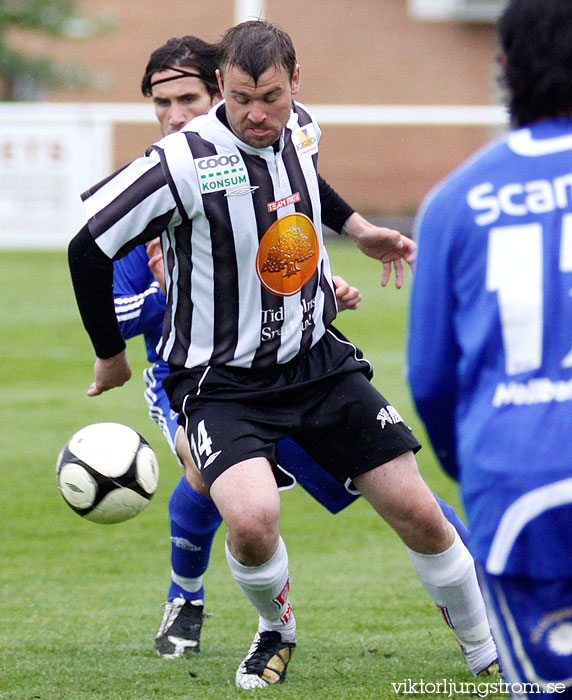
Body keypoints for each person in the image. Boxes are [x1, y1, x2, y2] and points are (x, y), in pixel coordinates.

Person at [69, 21, 496, 689]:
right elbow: (87, 246)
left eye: (270, 96)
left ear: (295, 84)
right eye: (241, 99)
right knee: (251, 519)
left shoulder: (299, 126)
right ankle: (276, 628)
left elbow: (307, 180)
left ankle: (486, 648)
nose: (257, 114)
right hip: (219, 382)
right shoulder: (180, 162)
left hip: (317, 360)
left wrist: (358, 232)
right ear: (220, 89)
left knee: (416, 508)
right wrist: (109, 356)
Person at [408, 0, 572, 696]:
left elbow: (432, 379)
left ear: (504, 68)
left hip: (515, 477)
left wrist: (473, 467)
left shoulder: (456, 200)